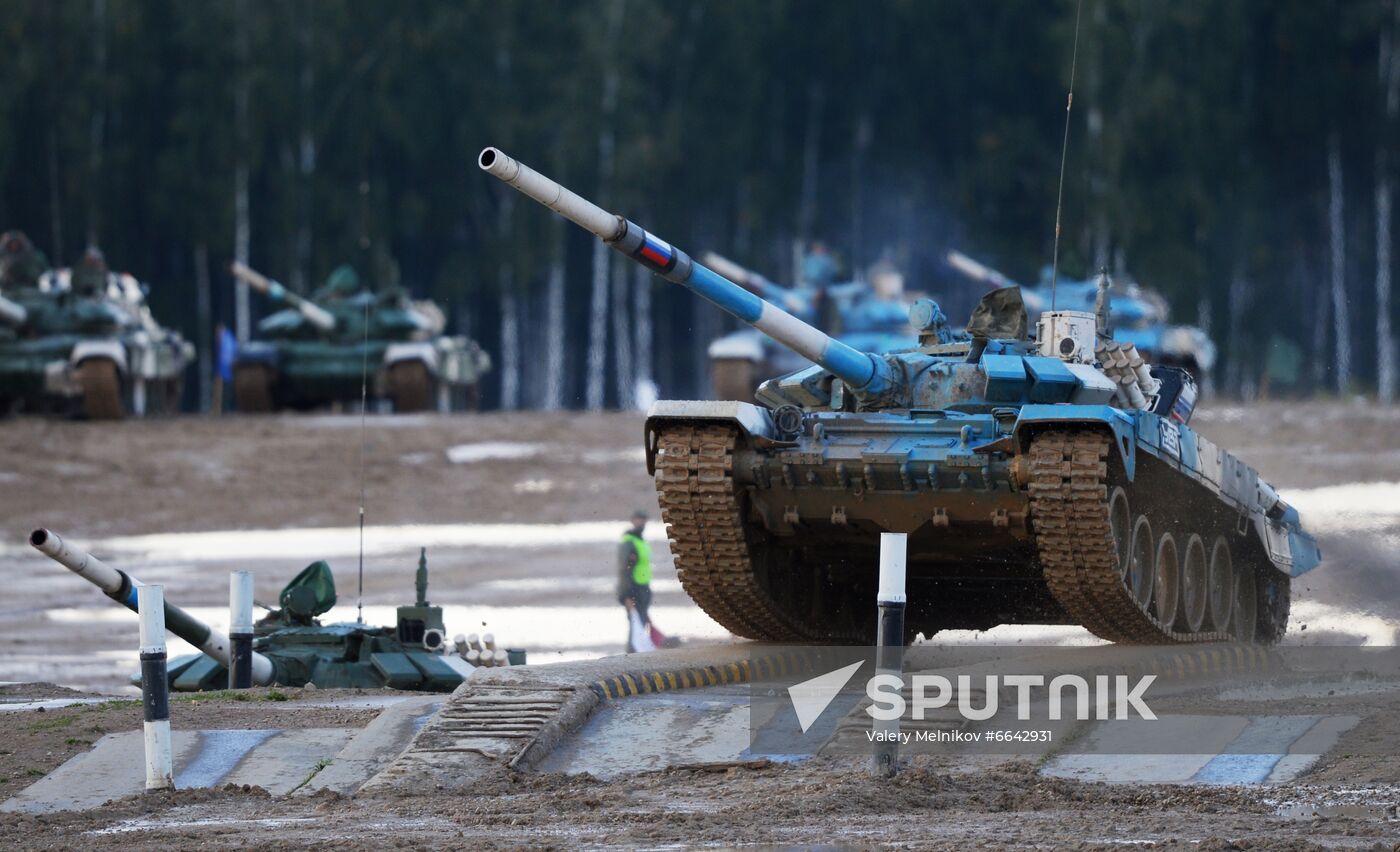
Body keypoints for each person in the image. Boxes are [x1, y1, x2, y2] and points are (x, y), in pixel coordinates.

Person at [617, 510, 653, 652]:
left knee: (641, 622)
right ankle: (632, 655)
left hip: (643, 586)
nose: (642, 523)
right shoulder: (629, 542)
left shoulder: (641, 540)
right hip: (633, 588)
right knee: (635, 624)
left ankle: (636, 654)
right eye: (639, 520)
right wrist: (626, 595)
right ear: (632, 521)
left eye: (644, 520)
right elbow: (624, 570)